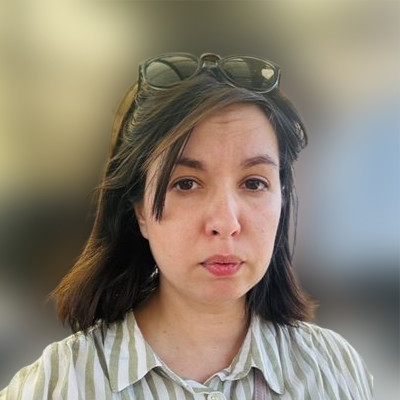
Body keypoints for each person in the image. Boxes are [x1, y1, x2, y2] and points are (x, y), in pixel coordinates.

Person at [0, 53, 373, 399]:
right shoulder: (58, 384)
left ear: (284, 198)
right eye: (186, 184)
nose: (226, 223)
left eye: (254, 183)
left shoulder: (333, 370)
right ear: (140, 210)